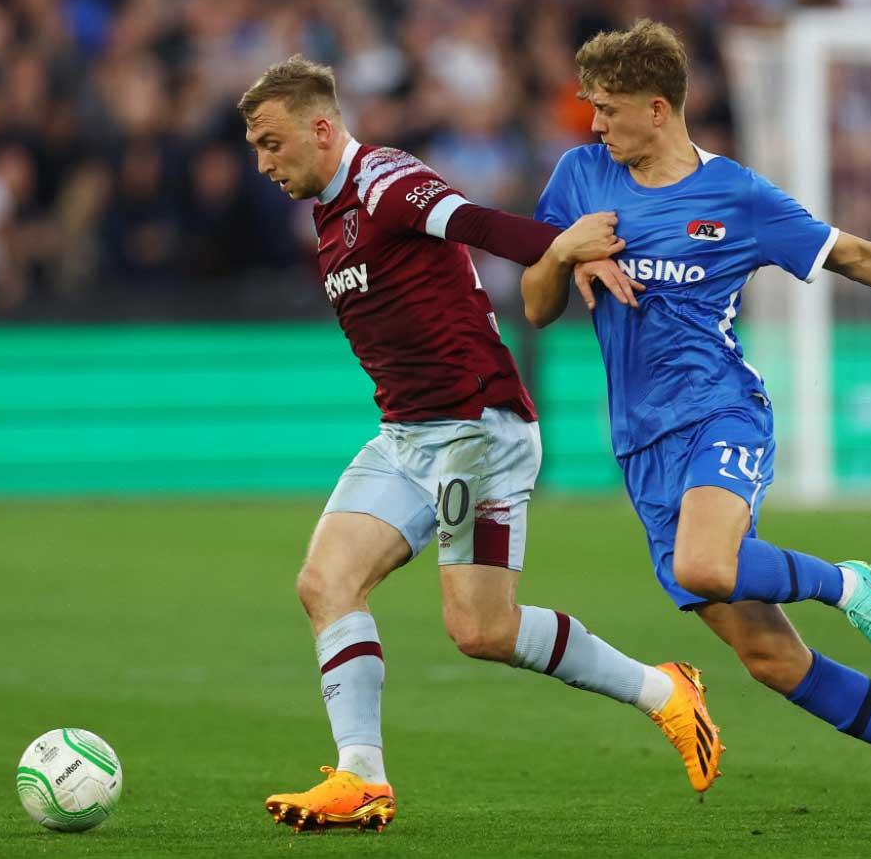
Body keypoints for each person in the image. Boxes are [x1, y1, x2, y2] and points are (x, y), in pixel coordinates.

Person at [523, 20, 871, 837]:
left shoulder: (737, 197)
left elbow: (856, 255)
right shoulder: (580, 176)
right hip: (641, 445)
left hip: (722, 412)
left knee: (705, 563)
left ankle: (848, 582)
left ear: (658, 109)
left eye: (609, 109)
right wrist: (563, 251)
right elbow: (534, 303)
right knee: (773, 660)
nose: (594, 124)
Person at [238, 55, 723, 835]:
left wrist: (565, 246)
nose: (263, 163)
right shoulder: (326, 213)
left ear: (321, 129)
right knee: (324, 583)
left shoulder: (384, 181)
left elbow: (478, 223)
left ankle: (664, 690)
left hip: (475, 430)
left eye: (271, 143)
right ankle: (362, 775)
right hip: (406, 435)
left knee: (482, 630)